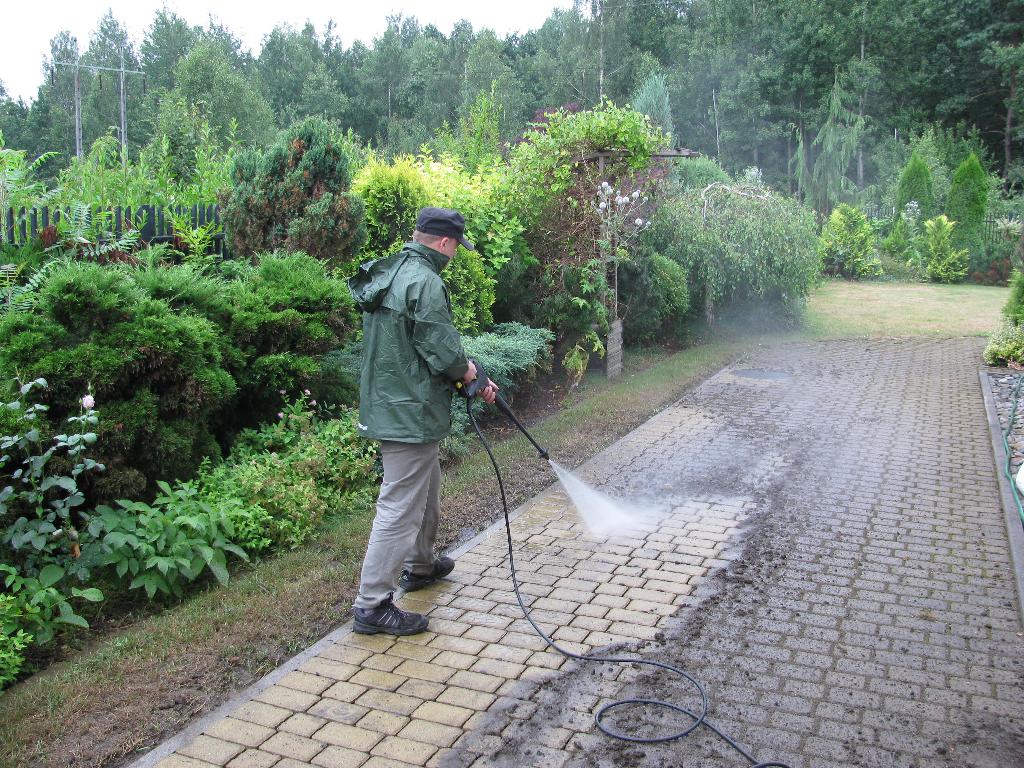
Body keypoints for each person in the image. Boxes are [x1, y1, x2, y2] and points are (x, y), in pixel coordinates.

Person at [347, 207, 497, 636]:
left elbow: (415, 345)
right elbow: (443, 351)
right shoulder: (425, 281)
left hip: (393, 404)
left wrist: (467, 372)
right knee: (399, 507)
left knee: (426, 486)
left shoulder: (391, 271)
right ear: (446, 243)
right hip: (407, 413)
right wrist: (470, 374)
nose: (455, 255)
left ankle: (421, 565)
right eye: (456, 248)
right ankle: (372, 604)